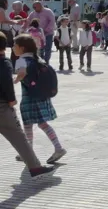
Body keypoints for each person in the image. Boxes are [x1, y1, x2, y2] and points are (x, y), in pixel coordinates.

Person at [0, 32, 56, 180]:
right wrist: (11, 101)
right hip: (2, 108)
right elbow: (6, 83)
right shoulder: (4, 62)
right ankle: (36, 168)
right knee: (18, 137)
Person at [13, 34, 67, 165]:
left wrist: (14, 81)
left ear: (22, 48)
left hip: (29, 97)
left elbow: (22, 73)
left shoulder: (21, 60)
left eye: (15, 45)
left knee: (28, 125)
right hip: (41, 95)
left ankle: (30, 152)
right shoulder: (38, 59)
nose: (13, 48)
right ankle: (57, 148)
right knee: (42, 124)